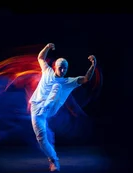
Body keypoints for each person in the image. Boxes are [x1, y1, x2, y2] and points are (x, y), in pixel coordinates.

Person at [29, 43, 97, 172]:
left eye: (65, 68)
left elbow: (86, 78)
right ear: (55, 67)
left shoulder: (67, 82)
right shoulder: (47, 71)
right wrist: (48, 47)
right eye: (60, 68)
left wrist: (93, 65)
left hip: (50, 109)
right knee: (41, 138)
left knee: (57, 86)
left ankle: (46, 107)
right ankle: (53, 161)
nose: (63, 71)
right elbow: (41, 58)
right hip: (36, 108)